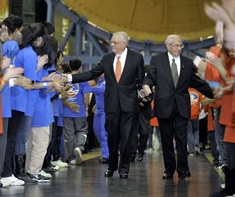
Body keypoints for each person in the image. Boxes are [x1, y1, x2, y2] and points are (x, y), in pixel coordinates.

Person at [60, 31, 145, 178]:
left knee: (126, 138)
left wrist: (142, 91)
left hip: (129, 105)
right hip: (110, 105)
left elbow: (140, 79)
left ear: (124, 43)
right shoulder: (106, 58)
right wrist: (69, 77)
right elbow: (91, 74)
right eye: (111, 42)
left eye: (115, 43)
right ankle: (112, 167)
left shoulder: (136, 58)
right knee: (112, 137)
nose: (111, 45)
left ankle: (124, 169)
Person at [142, 34, 213, 180]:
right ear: (168, 46)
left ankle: (183, 169)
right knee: (166, 140)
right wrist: (146, 85)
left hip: (182, 106)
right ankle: (169, 169)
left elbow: (196, 82)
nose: (178, 48)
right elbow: (150, 77)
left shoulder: (187, 62)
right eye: (175, 45)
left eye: (180, 46)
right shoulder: (157, 60)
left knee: (182, 139)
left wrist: (216, 92)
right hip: (164, 105)